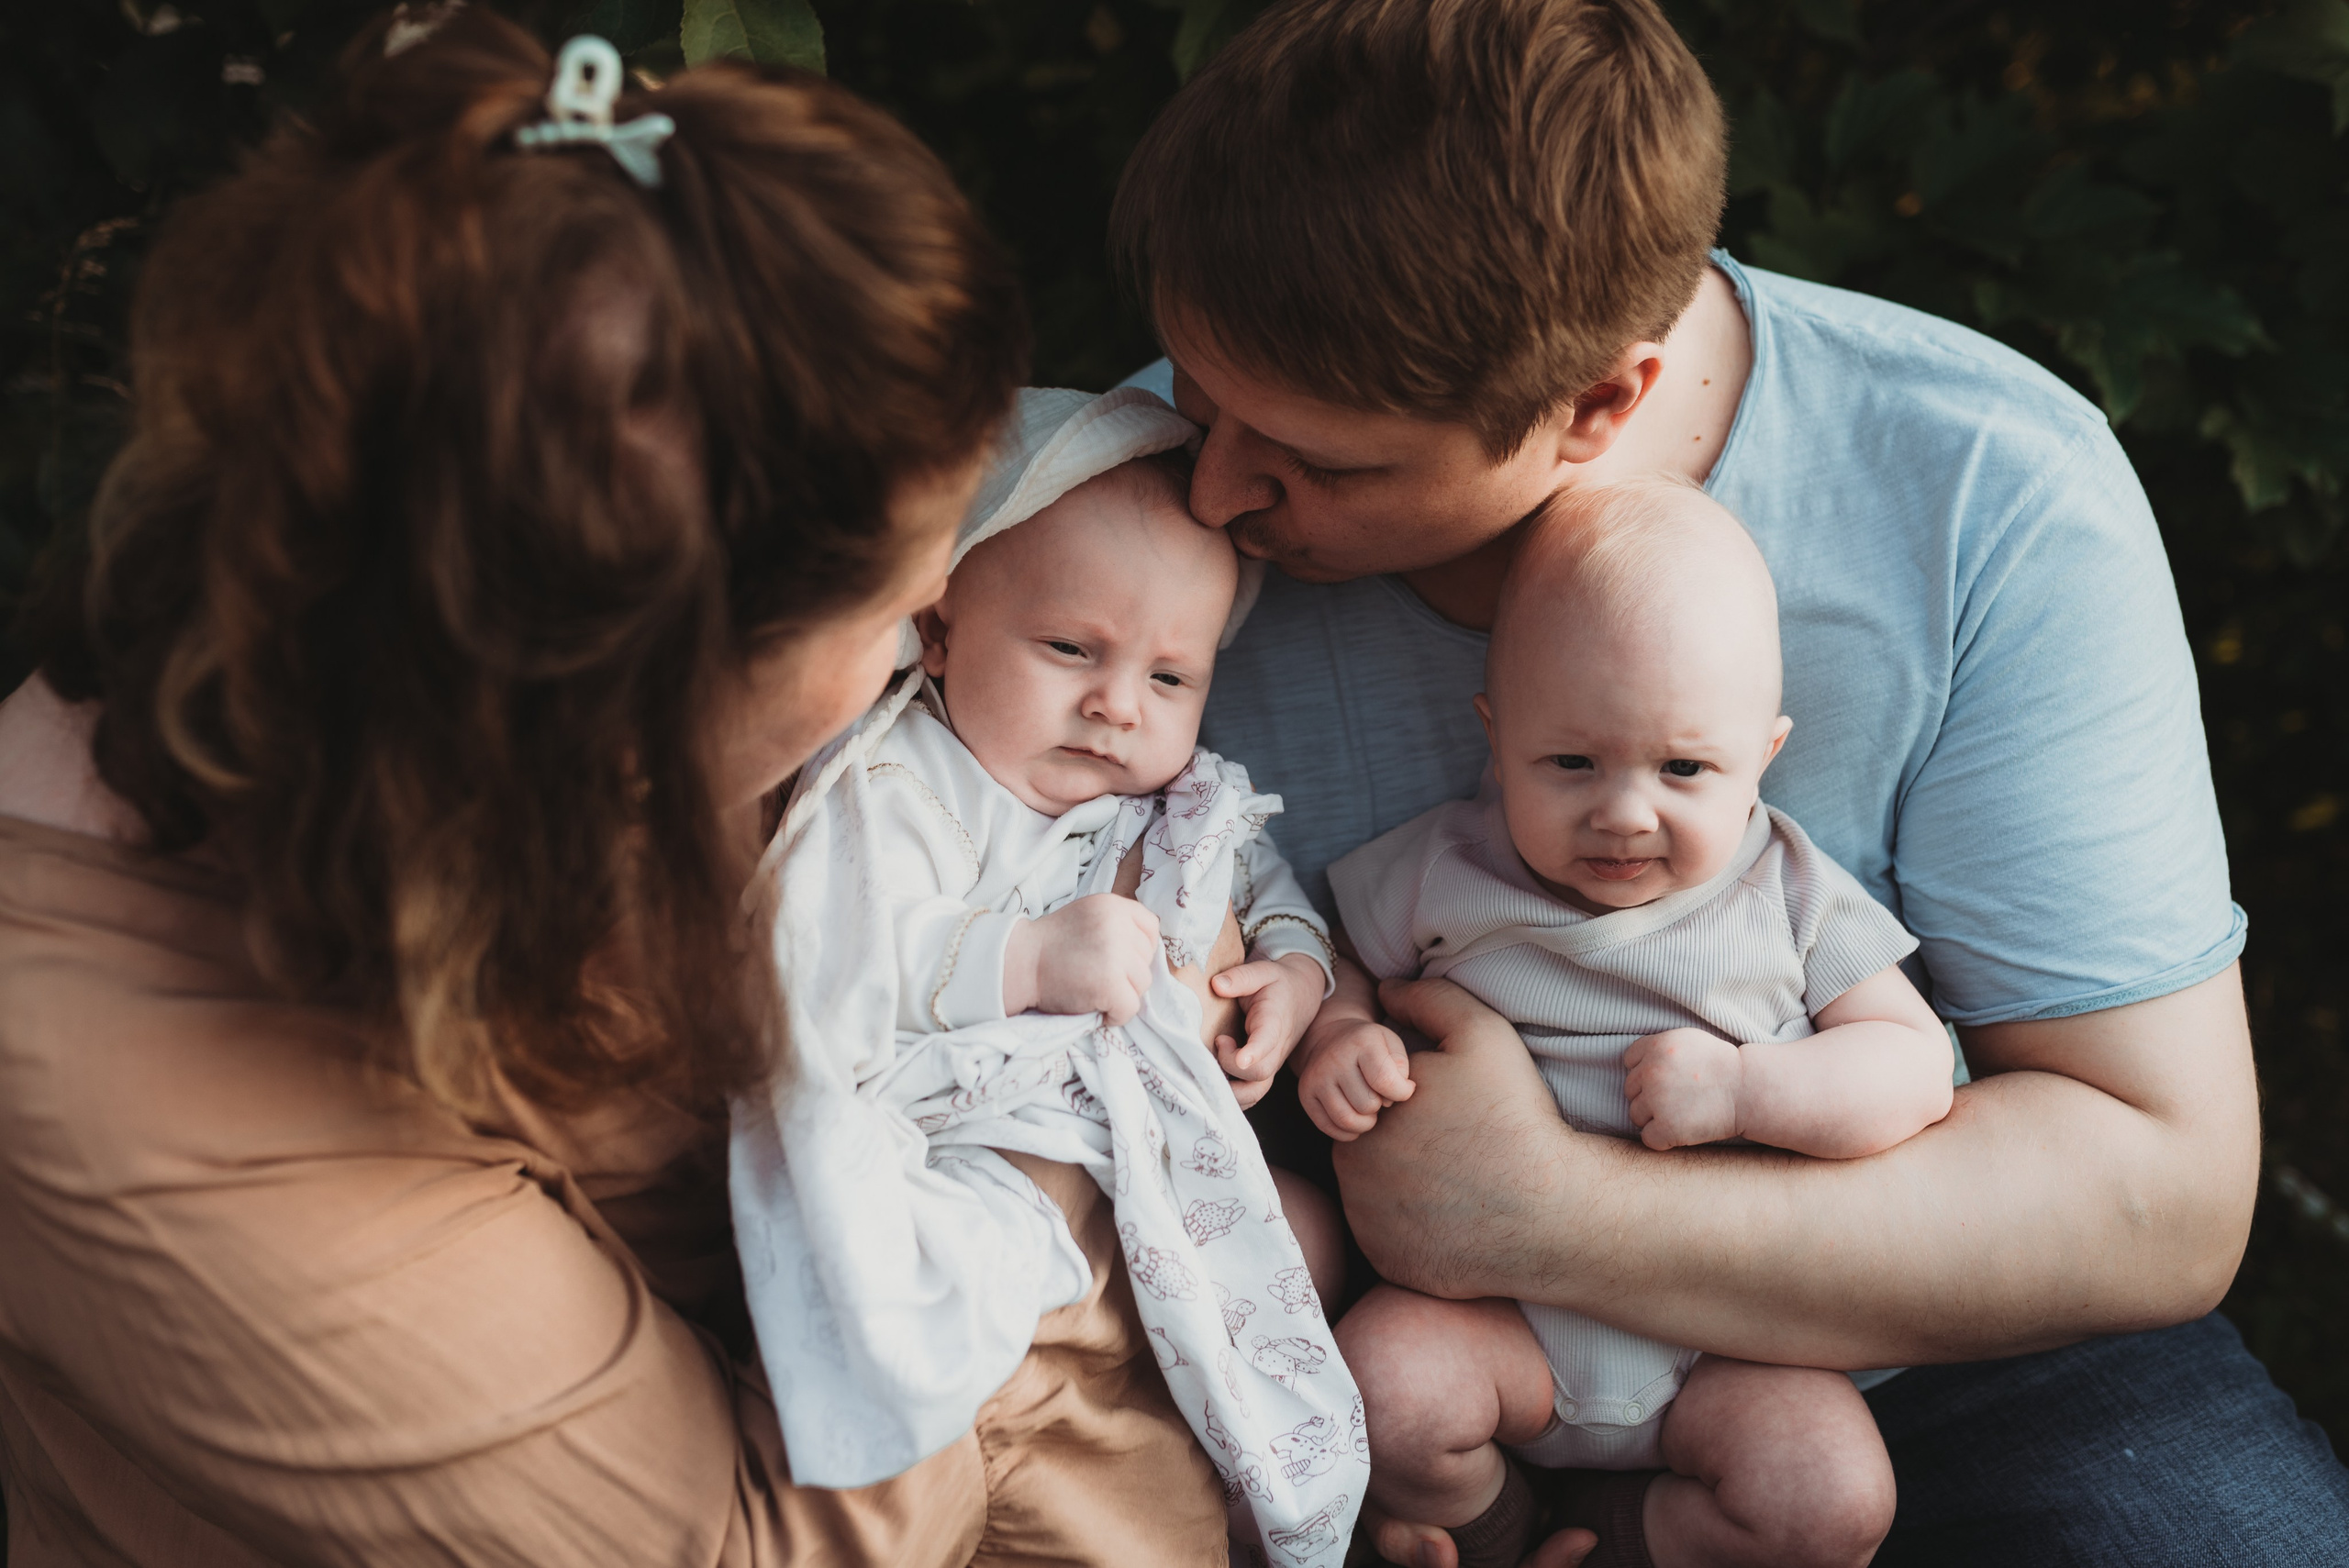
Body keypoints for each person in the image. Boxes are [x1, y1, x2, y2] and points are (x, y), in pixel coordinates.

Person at [1104, 0, 2349, 1562]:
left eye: (1324, 462)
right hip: (1361, 1334)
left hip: (1923, 1321)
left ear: (1603, 402)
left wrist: (1546, 1209)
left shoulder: (1989, 490)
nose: (1213, 493)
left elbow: (2157, 1191)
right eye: (1201, 402)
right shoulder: (1131, 500)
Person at [0, 13, 1228, 1563]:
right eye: (897, 615)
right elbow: (749, 1539)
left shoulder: (500, 561)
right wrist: (1085, 1093)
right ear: (635, 686)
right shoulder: (134, 1095)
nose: (925, 656)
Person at [728, 386, 1361, 1563]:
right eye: (1071, 648)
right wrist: (1020, 958)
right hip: (994, 1166)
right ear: (937, 629)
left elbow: (1260, 875)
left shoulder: (1172, 795)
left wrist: (1297, 970)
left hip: (1149, 1184)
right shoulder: (906, 783)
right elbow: (835, 953)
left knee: (1298, 1269)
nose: (1118, 704)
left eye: (1172, 678)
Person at [1305, 481, 1951, 1568]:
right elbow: (1328, 962)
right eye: (1570, 763)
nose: (1623, 811)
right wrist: (1340, 1034)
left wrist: (1751, 1091)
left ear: (1766, 752)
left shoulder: (1790, 891)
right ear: (1494, 732)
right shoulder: (1439, 869)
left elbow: (1913, 1064)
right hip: (1500, 1325)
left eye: (1685, 767)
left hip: (1727, 1337)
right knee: (1381, 1388)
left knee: (1832, 1499)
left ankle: (1618, 1542)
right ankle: (1497, 1529)